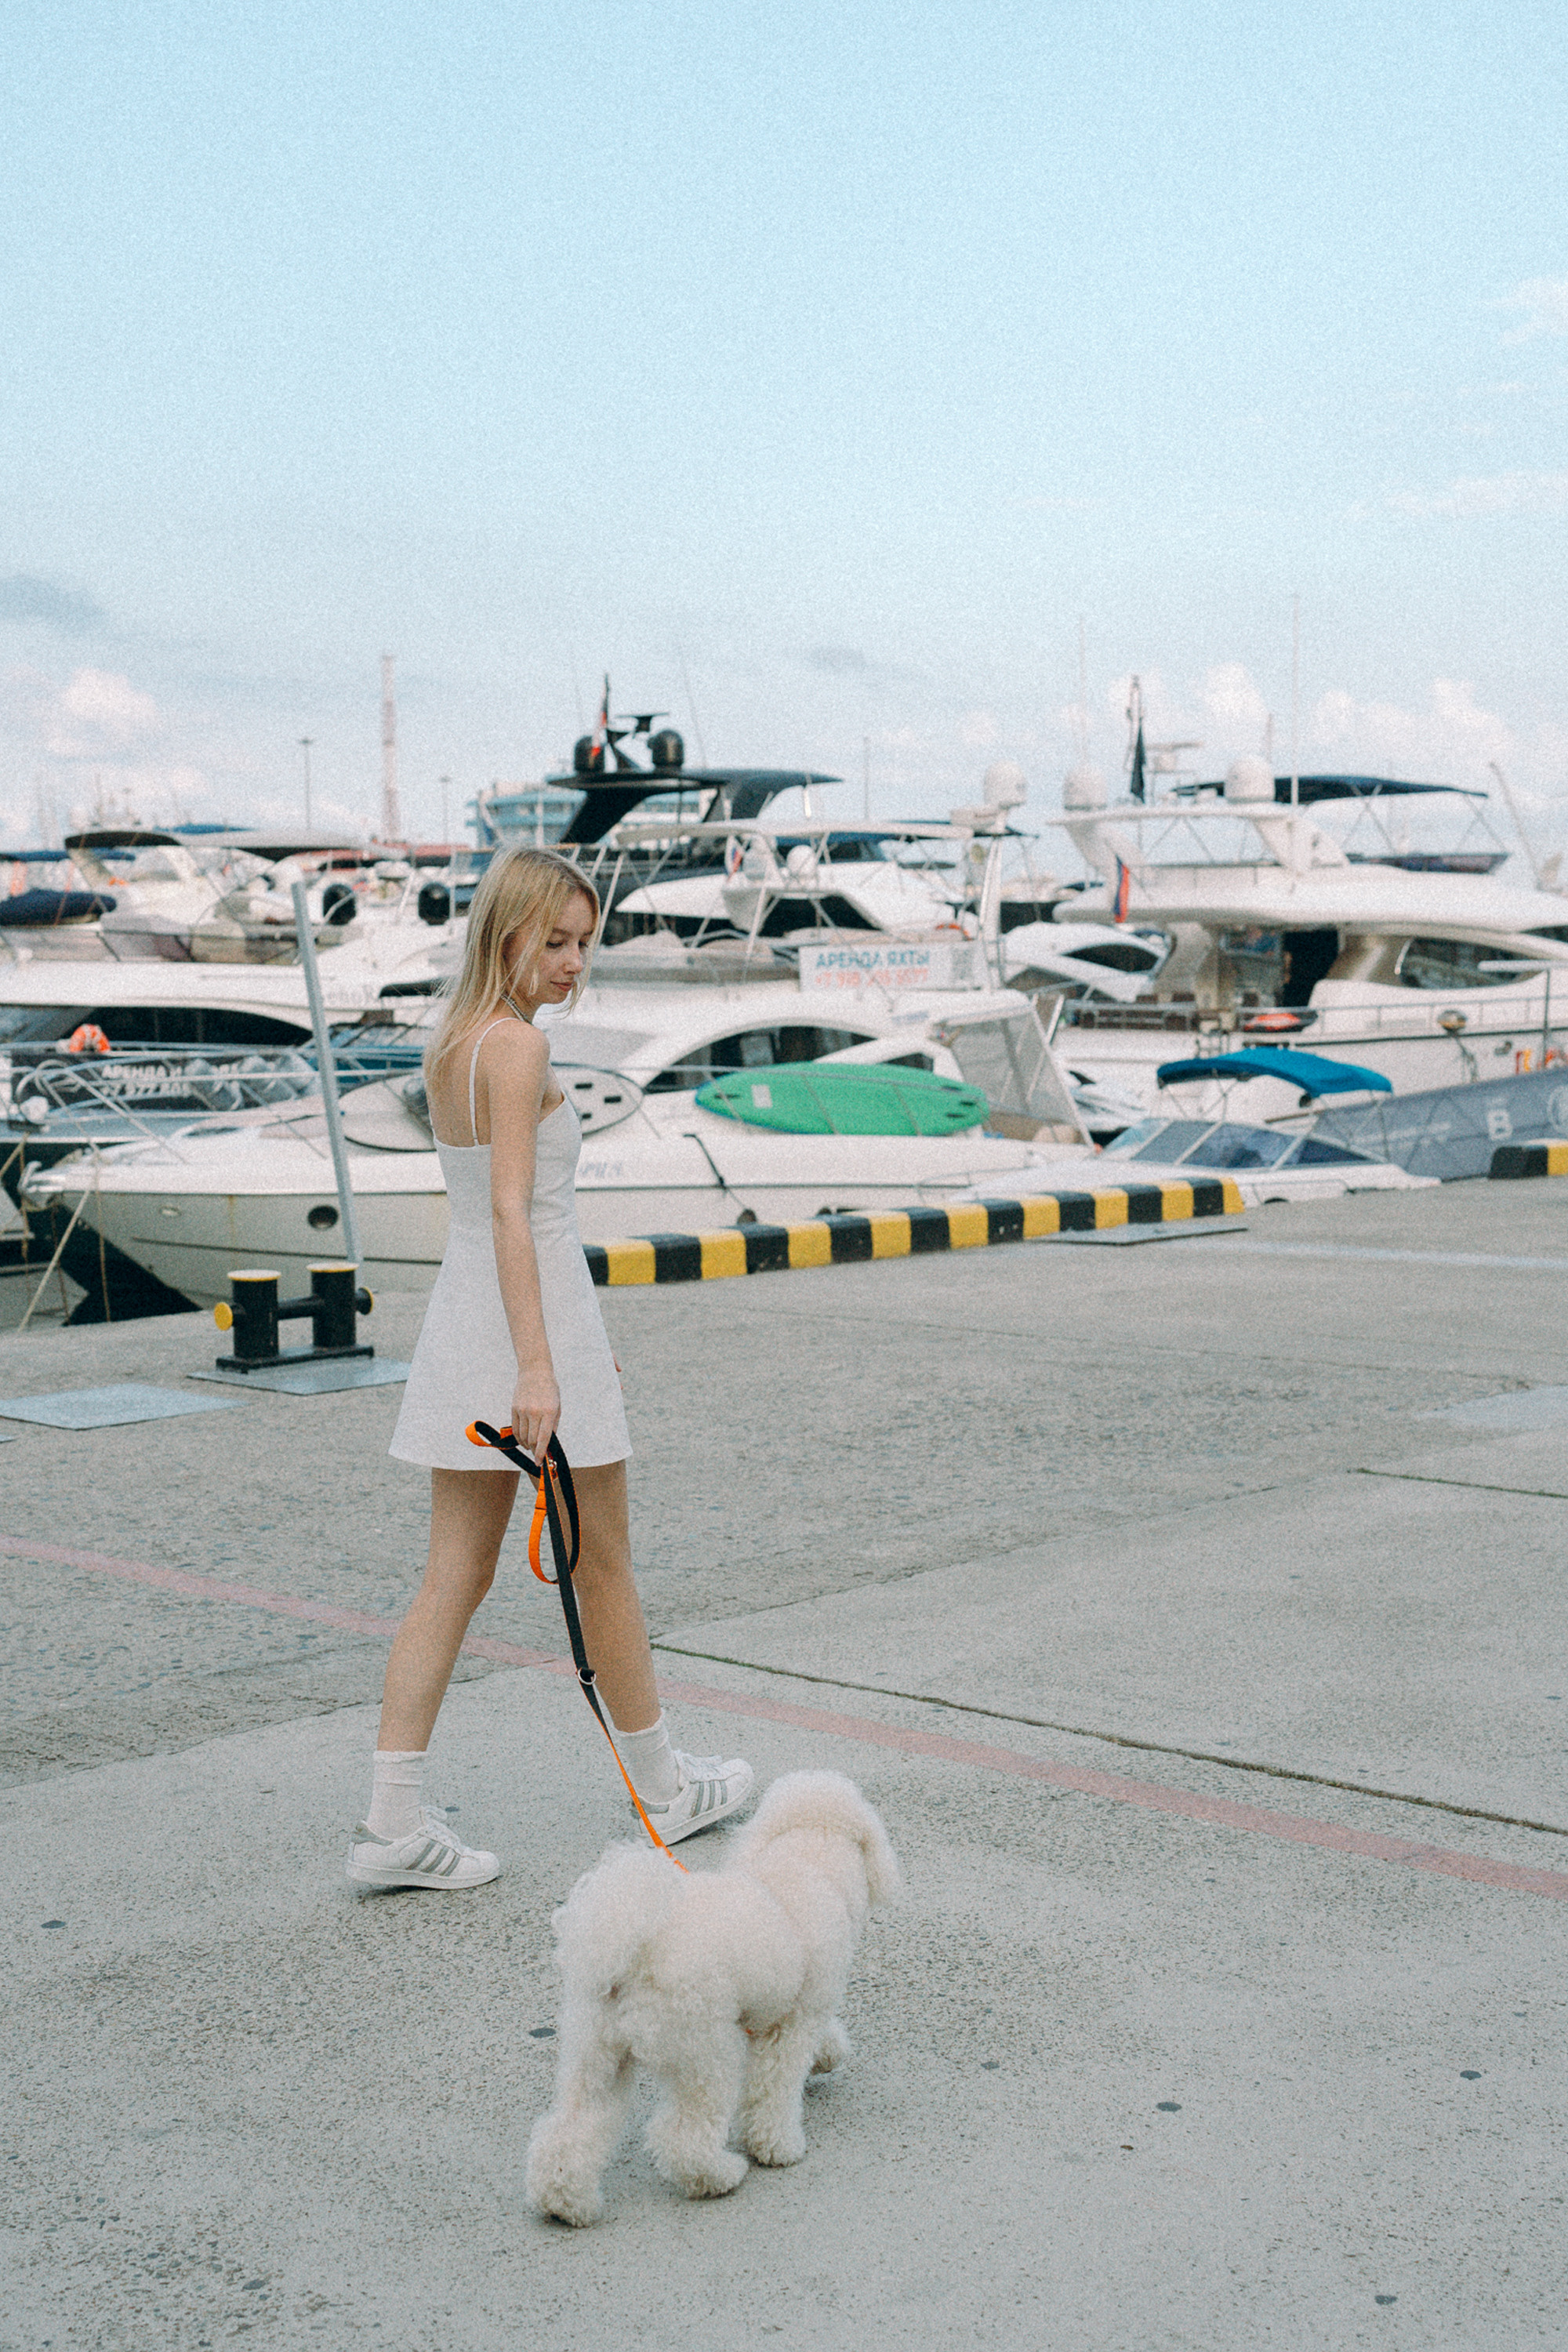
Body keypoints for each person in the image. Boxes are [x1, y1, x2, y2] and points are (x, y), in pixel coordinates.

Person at [347, 847, 753, 1891]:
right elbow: (516, 1213)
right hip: (526, 1328)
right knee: (603, 1559)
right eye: (559, 941)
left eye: (586, 943)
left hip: (469, 1319)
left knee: (454, 1572)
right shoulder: (517, 1048)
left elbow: (489, 1218)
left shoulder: (453, 1045)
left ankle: (393, 1819)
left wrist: (551, 1344)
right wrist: (544, 1362)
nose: (575, 963)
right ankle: (666, 1785)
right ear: (508, 931)